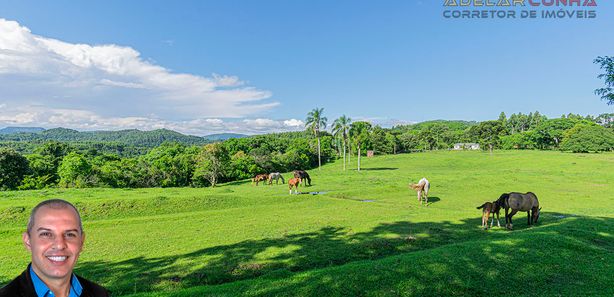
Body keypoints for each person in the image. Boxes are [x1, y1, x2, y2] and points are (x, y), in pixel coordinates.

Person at [0, 199, 109, 297]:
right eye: (46, 234)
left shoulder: (99, 293)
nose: (59, 245)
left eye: (70, 234)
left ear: (81, 242)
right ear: (28, 241)